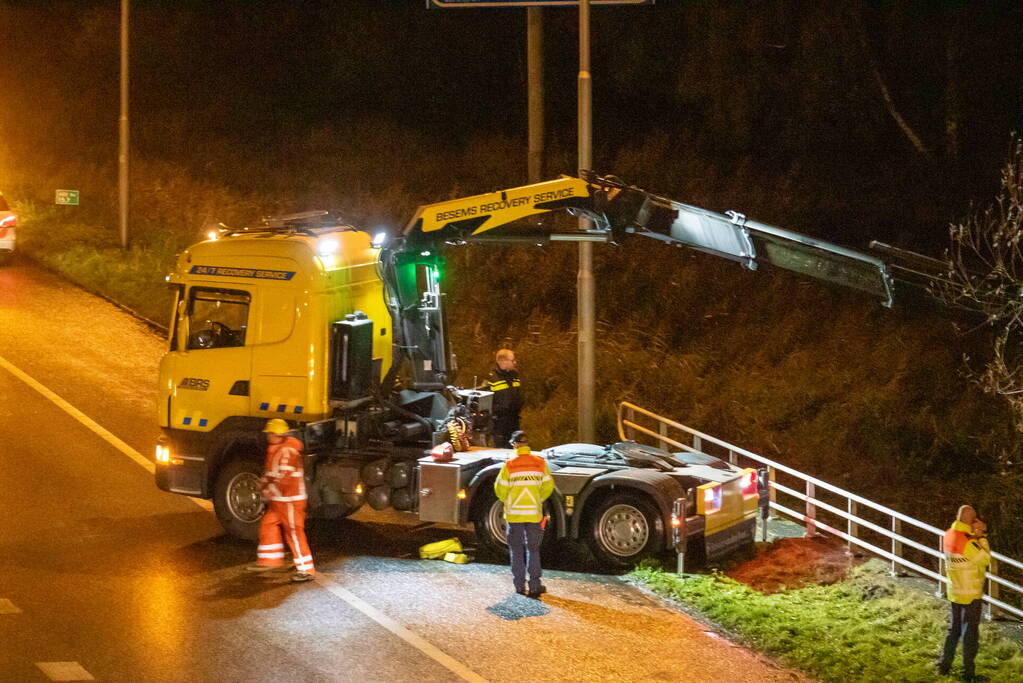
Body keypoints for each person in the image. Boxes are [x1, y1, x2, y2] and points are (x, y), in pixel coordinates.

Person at [246, 418, 316, 582]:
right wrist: (263, 486)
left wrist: (268, 492)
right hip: (281, 500)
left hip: (290, 499)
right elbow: (272, 474)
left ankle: (306, 569)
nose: (268, 436)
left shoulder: (286, 452)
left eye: (270, 433)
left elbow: (284, 478)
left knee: (294, 532)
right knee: (268, 524)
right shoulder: (278, 450)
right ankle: (269, 560)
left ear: (276, 434)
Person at [493, 431, 555, 598]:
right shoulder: (540, 463)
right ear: (527, 444)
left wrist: (510, 501)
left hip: (514, 516)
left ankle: (519, 586)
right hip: (533, 515)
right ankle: (535, 585)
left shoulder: (509, 465)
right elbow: (548, 487)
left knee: (516, 550)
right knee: (533, 549)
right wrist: (537, 499)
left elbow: (500, 490)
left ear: (515, 444)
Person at [937, 504, 991, 680]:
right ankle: (968, 673)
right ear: (971, 520)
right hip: (971, 594)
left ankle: (944, 666)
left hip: (955, 590)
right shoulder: (968, 541)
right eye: (975, 518)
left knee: (954, 630)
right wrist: (981, 536)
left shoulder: (949, 534)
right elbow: (985, 559)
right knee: (970, 635)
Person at [486, 348, 522, 448]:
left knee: (516, 448)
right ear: (503, 361)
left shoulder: (514, 375)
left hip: (514, 420)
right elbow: (488, 402)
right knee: (501, 450)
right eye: (512, 360)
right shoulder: (492, 378)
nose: (515, 362)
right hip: (499, 423)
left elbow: (518, 396)